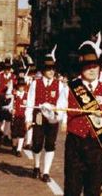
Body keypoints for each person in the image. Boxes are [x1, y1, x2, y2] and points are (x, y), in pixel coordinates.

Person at [63, 33, 102, 196]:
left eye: (94, 66)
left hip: (97, 143)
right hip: (75, 143)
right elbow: (58, 114)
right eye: (88, 67)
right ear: (81, 68)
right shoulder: (70, 87)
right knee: (72, 189)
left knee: (94, 189)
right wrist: (48, 111)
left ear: (99, 67)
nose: (91, 70)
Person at [25, 49, 66, 183]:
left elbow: (63, 104)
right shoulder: (35, 83)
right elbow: (30, 102)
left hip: (53, 117)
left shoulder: (59, 85)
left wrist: (63, 119)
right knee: (37, 143)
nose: (51, 71)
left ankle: (46, 171)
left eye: (53, 69)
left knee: (50, 144)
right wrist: (28, 119)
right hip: (38, 116)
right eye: (48, 69)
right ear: (43, 70)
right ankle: (36, 166)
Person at [9, 78, 29, 157]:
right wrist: (11, 110)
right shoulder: (14, 95)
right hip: (15, 116)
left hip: (23, 117)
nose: (21, 87)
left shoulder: (27, 95)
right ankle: (14, 145)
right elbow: (10, 105)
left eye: (22, 86)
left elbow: (28, 107)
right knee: (14, 133)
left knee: (22, 133)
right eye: (20, 86)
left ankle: (19, 150)